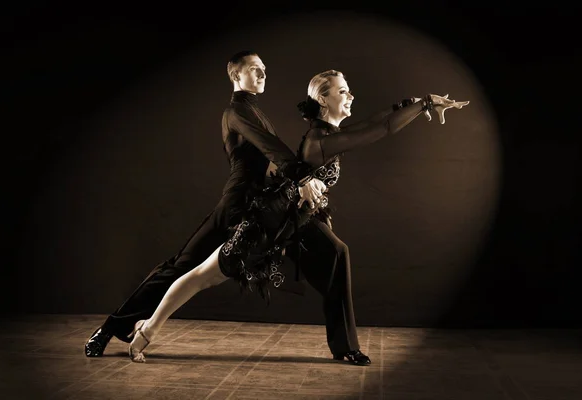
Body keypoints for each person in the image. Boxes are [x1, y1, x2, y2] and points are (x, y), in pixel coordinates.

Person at [125, 68, 469, 365]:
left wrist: (413, 103)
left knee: (337, 253)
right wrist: (422, 103)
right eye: (343, 91)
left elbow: (375, 121)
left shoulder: (331, 133)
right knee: (205, 275)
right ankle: (148, 328)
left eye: (348, 90)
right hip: (270, 224)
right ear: (324, 100)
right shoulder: (320, 140)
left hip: (300, 221)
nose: (351, 95)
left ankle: (345, 347)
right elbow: (381, 130)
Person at [84, 50, 326, 358]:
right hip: (237, 204)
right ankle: (110, 328)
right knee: (180, 267)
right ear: (237, 76)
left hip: (259, 205)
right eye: (255, 69)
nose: (263, 74)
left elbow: (271, 160)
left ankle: (342, 333)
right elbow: (270, 147)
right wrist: (303, 179)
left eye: (264, 69)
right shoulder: (236, 111)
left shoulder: (255, 112)